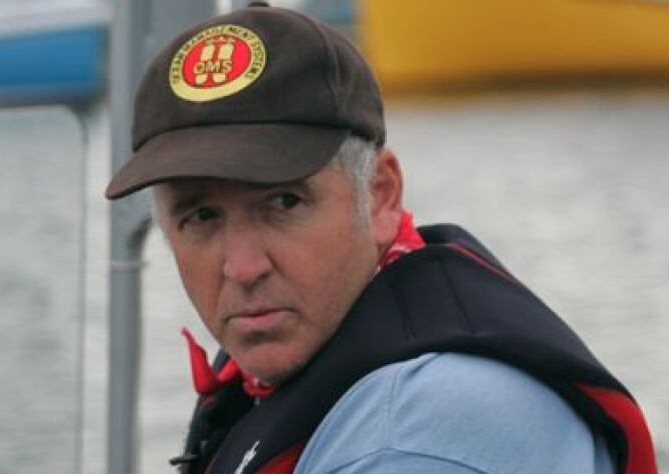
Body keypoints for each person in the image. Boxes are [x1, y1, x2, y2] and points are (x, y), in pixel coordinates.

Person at [106, 3, 657, 473]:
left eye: (283, 203)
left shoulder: (419, 431)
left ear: (381, 195)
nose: (244, 267)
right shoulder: (336, 347)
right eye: (201, 217)